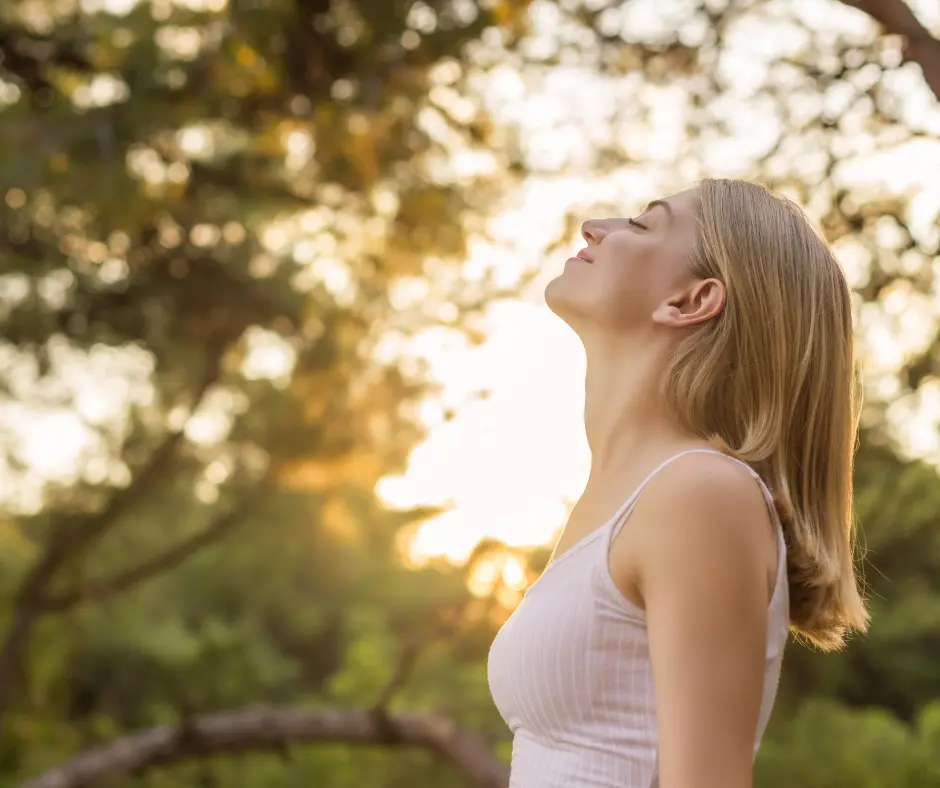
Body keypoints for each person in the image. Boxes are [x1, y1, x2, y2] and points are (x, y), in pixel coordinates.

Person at [487, 178, 869, 788]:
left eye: (641, 226)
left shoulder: (699, 494)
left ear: (692, 301)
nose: (595, 226)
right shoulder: (629, 496)